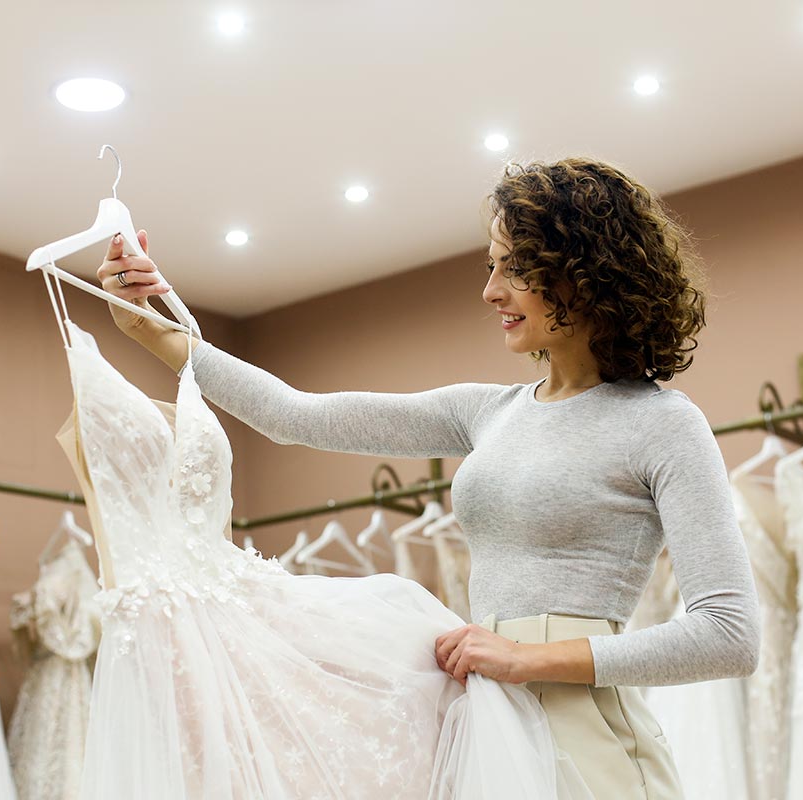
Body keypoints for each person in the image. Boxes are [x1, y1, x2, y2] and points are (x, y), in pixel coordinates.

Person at [95, 157, 760, 798]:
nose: (490, 290)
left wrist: (531, 659)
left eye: (515, 268)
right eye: (491, 266)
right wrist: (156, 327)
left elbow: (728, 635)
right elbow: (294, 417)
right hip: (486, 719)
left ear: (583, 275)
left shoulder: (664, 424)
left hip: (585, 743)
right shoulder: (488, 412)